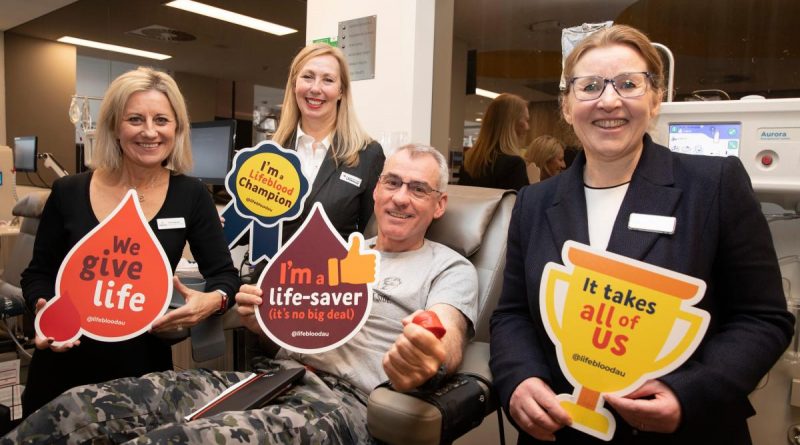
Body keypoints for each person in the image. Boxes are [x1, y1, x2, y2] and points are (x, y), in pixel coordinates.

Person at [5, 144, 478, 444]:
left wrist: (427, 353)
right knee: (89, 407)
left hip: (346, 403)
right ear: (375, 192)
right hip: (269, 378)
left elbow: (447, 334)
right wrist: (262, 322)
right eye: (392, 183)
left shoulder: (447, 266)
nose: (400, 197)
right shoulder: (330, 255)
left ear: (439, 204)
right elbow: (289, 335)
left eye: (418, 189)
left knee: (176, 440)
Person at [489, 25, 794, 444]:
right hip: (561, 429)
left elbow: (764, 318)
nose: (609, 100)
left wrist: (687, 395)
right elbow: (512, 315)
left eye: (629, 84)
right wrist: (519, 379)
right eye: (590, 86)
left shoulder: (713, 185)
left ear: (655, 99)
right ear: (566, 105)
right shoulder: (535, 202)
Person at [19, 67, 241, 416]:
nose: (150, 132)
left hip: (142, 377)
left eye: (162, 120)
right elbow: (37, 275)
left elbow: (225, 276)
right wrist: (44, 309)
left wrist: (212, 301)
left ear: (177, 129)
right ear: (114, 128)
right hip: (63, 369)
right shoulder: (68, 192)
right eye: (135, 119)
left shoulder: (191, 196)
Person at [272, 42, 385, 242]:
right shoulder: (271, 152)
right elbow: (252, 223)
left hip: (334, 271)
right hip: (270, 271)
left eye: (328, 80)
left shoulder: (368, 154)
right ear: (294, 84)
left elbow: (373, 236)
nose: (315, 88)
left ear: (341, 91)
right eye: (307, 77)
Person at [458, 93, 530, 191]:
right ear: (511, 124)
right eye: (525, 120)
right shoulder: (514, 165)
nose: (527, 127)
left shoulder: (469, 163)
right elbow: (519, 205)